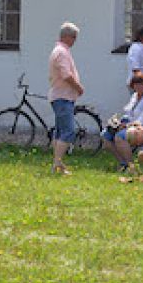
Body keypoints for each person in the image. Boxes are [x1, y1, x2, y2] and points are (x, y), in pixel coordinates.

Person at [102, 71, 143, 169]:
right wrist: (118, 123)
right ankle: (122, 162)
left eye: (140, 84)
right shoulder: (135, 96)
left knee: (120, 136)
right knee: (105, 135)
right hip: (133, 125)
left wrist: (127, 126)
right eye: (135, 84)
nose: (138, 87)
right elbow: (128, 112)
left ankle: (130, 165)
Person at [48, 21, 84, 175]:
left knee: (60, 131)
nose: (75, 41)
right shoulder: (62, 52)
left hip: (61, 96)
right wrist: (78, 87)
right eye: (74, 37)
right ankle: (57, 163)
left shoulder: (60, 50)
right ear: (67, 37)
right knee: (68, 131)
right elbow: (66, 75)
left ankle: (58, 163)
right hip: (63, 96)